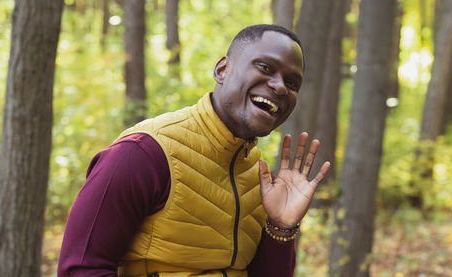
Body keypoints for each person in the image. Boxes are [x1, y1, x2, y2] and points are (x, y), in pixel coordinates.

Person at [57, 24, 331, 277]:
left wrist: (280, 227)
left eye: (293, 83)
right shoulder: (143, 154)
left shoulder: (261, 182)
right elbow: (82, 268)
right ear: (222, 70)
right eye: (265, 67)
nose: (281, 86)